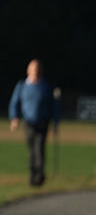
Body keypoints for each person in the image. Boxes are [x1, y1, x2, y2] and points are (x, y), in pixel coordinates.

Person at [8, 59, 60, 187]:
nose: (35, 71)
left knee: (39, 148)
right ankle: (33, 175)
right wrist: (14, 118)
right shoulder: (22, 86)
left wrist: (56, 122)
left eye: (37, 69)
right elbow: (15, 102)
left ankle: (39, 176)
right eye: (33, 68)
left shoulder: (46, 86)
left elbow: (54, 105)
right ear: (28, 71)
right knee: (32, 149)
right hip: (28, 122)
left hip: (43, 121)